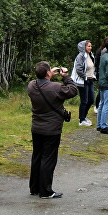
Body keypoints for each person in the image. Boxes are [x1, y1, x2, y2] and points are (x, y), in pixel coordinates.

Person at [27, 61, 77, 199]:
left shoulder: (31, 85)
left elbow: (43, 83)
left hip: (36, 127)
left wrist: (48, 74)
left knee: (37, 156)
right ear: (48, 73)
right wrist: (65, 76)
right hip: (51, 128)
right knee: (48, 158)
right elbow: (73, 90)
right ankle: (46, 191)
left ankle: (34, 188)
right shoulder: (55, 87)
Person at [71, 40, 95, 127]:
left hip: (90, 80)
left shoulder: (90, 55)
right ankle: (81, 120)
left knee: (91, 99)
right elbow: (78, 69)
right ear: (84, 47)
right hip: (83, 81)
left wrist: (93, 75)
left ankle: (84, 117)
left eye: (91, 46)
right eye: (88, 46)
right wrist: (85, 76)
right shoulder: (80, 56)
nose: (90, 48)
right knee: (84, 101)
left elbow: (92, 67)